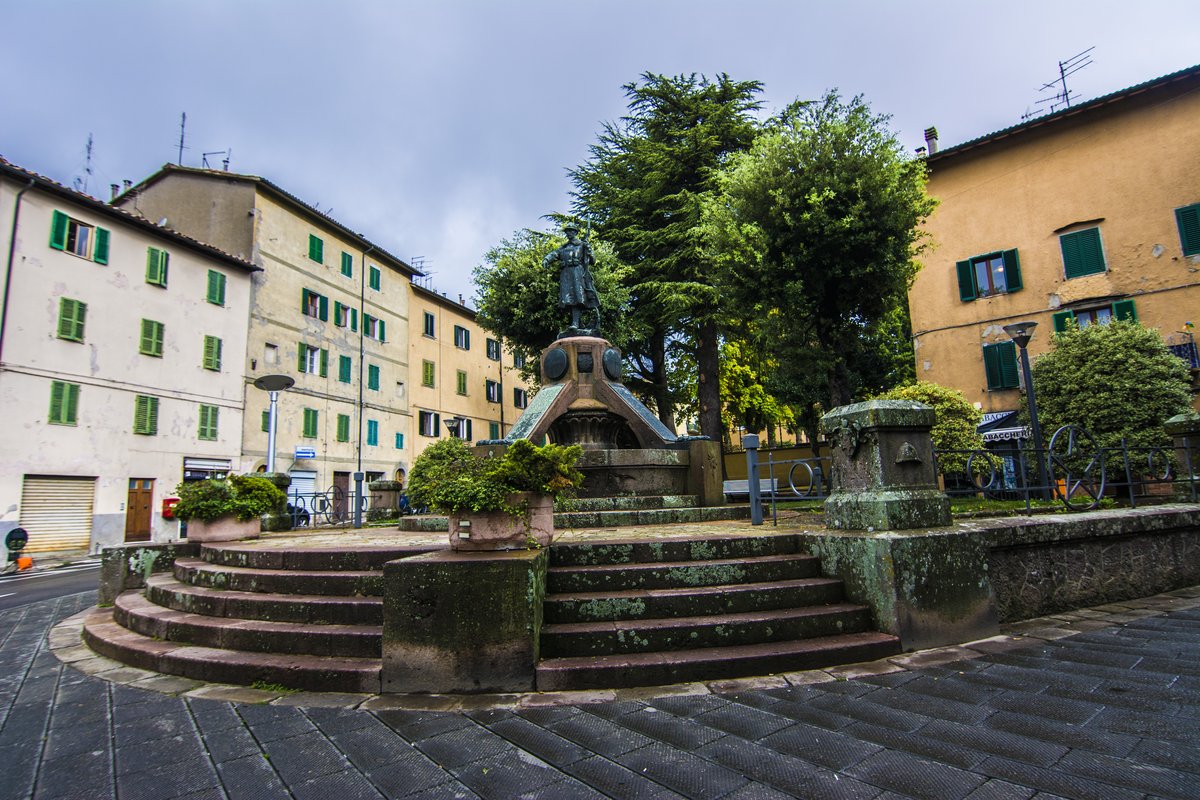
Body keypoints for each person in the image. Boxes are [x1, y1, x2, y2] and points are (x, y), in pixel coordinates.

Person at [543, 223, 601, 334]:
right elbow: (554, 254)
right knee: (568, 299)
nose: (568, 233)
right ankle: (578, 323)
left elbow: (593, 261)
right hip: (566, 274)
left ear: (575, 232)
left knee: (577, 297)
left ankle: (575, 323)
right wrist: (546, 259)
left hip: (577, 273)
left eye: (570, 231)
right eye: (567, 231)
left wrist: (589, 251)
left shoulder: (582, 245)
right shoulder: (563, 248)